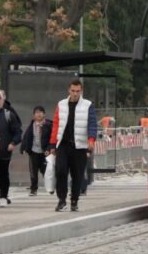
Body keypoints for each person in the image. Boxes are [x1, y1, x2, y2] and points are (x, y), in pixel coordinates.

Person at [47, 79, 98, 212]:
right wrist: (52, 145)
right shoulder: (61, 104)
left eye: (78, 91)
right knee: (61, 171)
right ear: (69, 90)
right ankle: (62, 200)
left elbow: (92, 124)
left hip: (80, 146)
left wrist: (91, 140)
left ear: (81, 91)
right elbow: (56, 125)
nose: (75, 93)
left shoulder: (88, 105)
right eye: (73, 91)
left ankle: (74, 200)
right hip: (63, 144)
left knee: (77, 175)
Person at [0, 90, 22, 207]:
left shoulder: (8, 114)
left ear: (2, 100)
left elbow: (17, 132)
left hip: (4, 150)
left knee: (3, 174)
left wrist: (13, 143)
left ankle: (3, 196)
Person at [20, 106, 52, 196]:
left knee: (46, 171)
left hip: (45, 152)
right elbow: (26, 138)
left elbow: (52, 139)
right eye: (36, 112)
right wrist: (23, 148)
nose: (39, 114)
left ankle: (50, 187)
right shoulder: (31, 125)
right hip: (34, 152)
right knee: (33, 172)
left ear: (44, 114)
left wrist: (49, 149)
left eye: (41, 112)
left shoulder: (49, 125)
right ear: (33, 115)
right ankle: (33, 189)